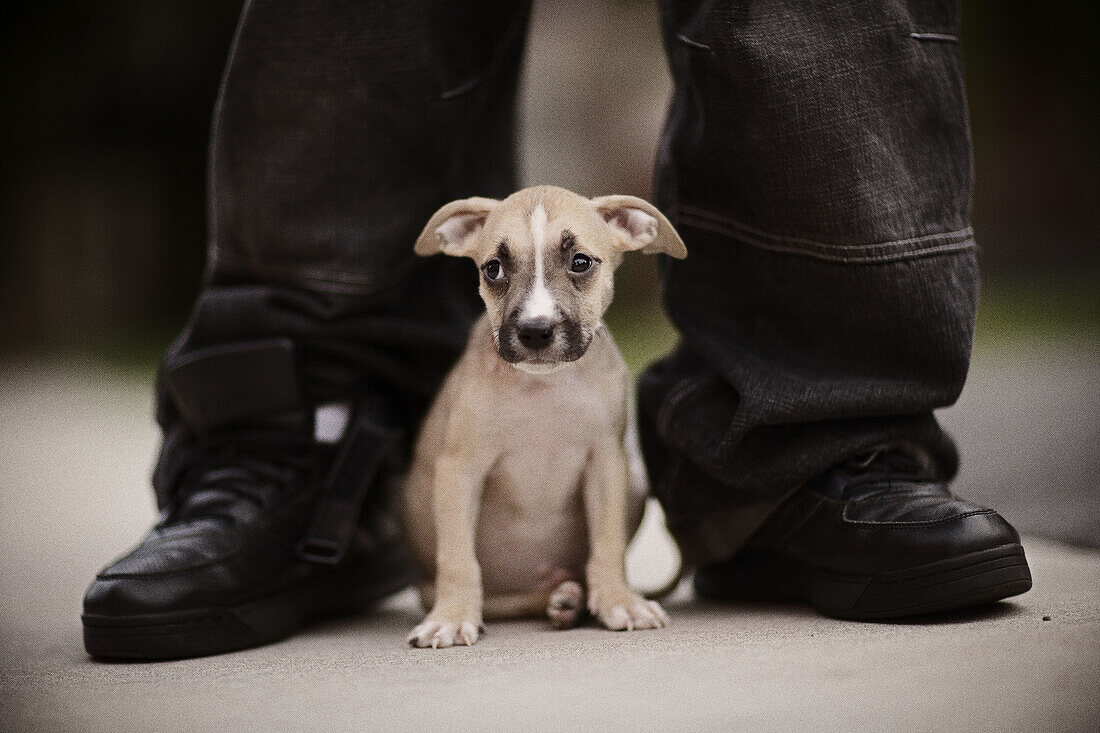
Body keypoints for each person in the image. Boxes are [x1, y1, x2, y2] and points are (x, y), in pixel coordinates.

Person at [82, 0, 1031, 660]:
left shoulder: (603, 310)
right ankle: (312, 427)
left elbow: (600, 456)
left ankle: (825, 434)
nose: (535, 311)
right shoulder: (494, 293)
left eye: (576, 264)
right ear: (463, 245)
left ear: (628, 237)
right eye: (500, 270)